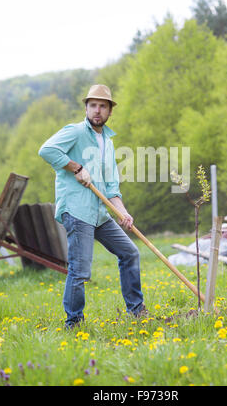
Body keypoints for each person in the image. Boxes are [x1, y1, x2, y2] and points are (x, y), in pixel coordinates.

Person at [38, 84, 147, 329]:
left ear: (110, 111)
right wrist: (76, 167)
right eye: (93, 105)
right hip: (77, 211)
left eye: (103, 106)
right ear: (87, 107)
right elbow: (46, 150)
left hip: (99, 213)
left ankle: (137, 310)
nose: (97, 110)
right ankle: (74, 322)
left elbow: (111, 187)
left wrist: (123, 212)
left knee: (130, 253)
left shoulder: (107, 142)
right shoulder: (75, 132)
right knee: (80, 269)